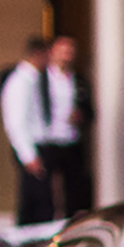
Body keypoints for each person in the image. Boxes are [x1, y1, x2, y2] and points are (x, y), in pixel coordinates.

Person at [0, 36, 55, 225]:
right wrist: (28, 155)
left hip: (41, 145)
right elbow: (15, 121)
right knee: (36, 205)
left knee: (41, 204)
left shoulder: (36, 80)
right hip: (31, 148)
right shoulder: (20, 82)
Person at [46, 34, 94, 215]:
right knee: (49, 190)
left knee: (75, 186)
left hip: (72, 139)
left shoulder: (79, 81)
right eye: (63, 50)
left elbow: (90, 111)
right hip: (50, 139)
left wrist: (81, 115)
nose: (67, 55)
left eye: (70, 51)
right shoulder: (43, 80)